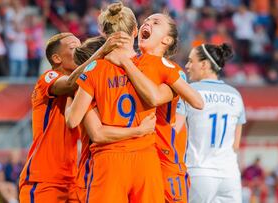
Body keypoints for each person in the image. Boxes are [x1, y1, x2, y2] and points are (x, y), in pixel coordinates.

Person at [66, 3, 167, 202]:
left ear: (103, 33)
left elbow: (72, 120)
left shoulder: (94, 69)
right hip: (145, 158)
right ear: (135, 31)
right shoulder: (153, 64)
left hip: (109, 160)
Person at [18, 31, 129, 203]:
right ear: (57, 59)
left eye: (80, 45)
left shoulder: (84, 90)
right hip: (43, 179)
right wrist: (100, 53)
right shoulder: (49, 77)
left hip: (73, 179)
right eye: (73, 47)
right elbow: (70, 84)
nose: (79, 49)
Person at [104, 12, 204, 202]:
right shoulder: (130, 63)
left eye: (155, 22)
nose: (147, 23)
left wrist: (125, 62)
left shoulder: (169, 68)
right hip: (132, 158)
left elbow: (197, 101)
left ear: (166, 39)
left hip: (165, 160)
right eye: (146, 21)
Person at [176, 43, 246, 203]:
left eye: (190, 61)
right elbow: (235, 145)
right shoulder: (236, 95)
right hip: (230, 175)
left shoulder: (190, 91)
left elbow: (175, 130)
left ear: (204, 64)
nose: (187, 66)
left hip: (200, 172)